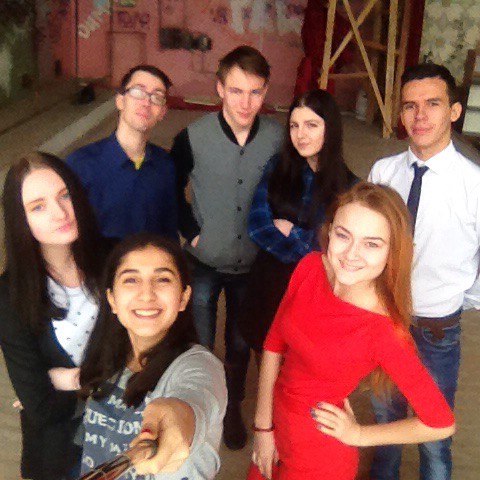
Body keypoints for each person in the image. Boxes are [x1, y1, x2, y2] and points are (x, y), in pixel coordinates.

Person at [249, 182, 455, 480]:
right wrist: (263, 428)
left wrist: (359, 435)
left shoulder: (383, 330)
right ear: (329, 232)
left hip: (318, 455)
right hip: (274, 428)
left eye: (372, 244)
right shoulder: (310, 267)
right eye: (343, 235)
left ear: (392, 252)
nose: (351, 254)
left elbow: (441, 423)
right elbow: (273, 343)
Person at [368, 63, 480, 480]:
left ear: (454, 111)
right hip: (385, 318)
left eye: (432, 104)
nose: (419, 116)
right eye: (409, 106)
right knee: (385, 418)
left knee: (434, 429)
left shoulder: (474, 184)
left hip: (438, 326)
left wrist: (457, 299)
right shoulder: (383, 172)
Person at [170, 45, 283, 449]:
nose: (245, 103)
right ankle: (205, 409)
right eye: (236, 91)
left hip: (252, 263)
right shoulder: (191, 137)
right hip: (203, 260)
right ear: (219, 88)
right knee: (201, 342)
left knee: (238, 342)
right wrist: (191, 231)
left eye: (255, 92)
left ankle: (232, 406)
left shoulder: (279, 138)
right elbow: (171, 188)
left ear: (265, 91)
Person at [60, 233, 226, 479]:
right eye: (131, 280)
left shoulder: (200, 365)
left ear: (183, 298)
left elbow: (196, 397)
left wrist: (178, 419)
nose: (147, 294)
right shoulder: (105, 356)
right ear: (112, 299)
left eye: (163, 279)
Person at [0, 152, 103, 480]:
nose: (60, 213)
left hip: (123, 432)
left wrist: (66, 380)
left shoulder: (112, 259)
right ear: (21, 220)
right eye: (38, 206)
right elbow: (41, 407)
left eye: (64, 195)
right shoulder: (9, 296)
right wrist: (96, 380)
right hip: (60, 452)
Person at [241, 88, 357, 353]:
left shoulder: (350, 186)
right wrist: (311, 244)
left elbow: (339, 249)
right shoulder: (277, 167)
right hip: (268, 284)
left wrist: (291, 231)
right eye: (294, 125)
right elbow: (257, 226)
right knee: (264, 350)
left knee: (299, 361)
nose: (300, 134)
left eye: (311, 125)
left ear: (330, 128)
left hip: (313, 293)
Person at [66, 65, 177, 245]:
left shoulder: (165, 165)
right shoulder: (81, 164)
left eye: (157, 97)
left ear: (162, 112)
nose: (146, 102)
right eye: (138, 92)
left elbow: (169, 232)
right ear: (120, 101)